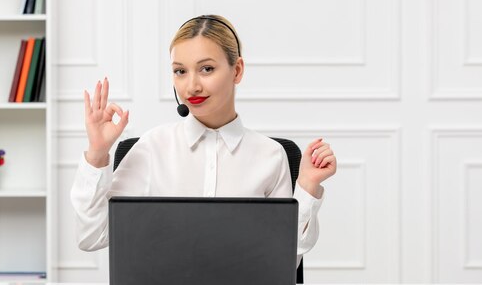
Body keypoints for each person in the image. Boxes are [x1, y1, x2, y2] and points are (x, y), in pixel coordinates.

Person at [70, 15, 337, 264]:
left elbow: (284, 259)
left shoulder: (271, 154)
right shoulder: (152, 147)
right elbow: (92, 237)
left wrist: (307, 186)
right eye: (180, 71)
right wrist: (97, 153)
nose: (191, 86)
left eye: (206, 69)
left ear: (237, 70)